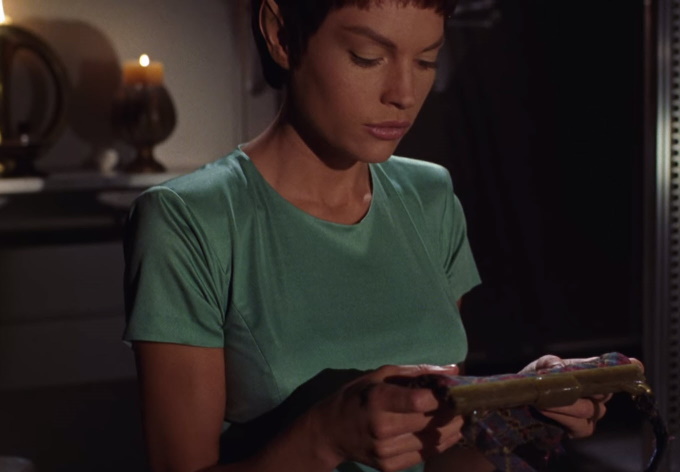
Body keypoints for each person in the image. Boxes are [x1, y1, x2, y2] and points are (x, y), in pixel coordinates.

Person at [123, 1, 619, 471]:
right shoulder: (189, 220)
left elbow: (436, 456)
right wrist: (324, 436)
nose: (403, 93)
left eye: (426, 61)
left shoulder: (429, 197)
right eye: (368, 57)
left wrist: (518, 410)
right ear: (280, 34)